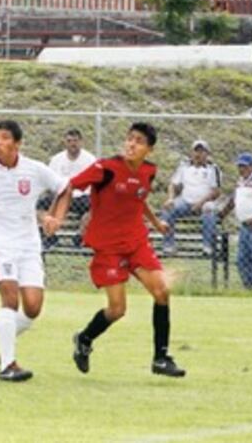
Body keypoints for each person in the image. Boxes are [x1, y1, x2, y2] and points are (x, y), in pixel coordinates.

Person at [48, 123, 186, 378]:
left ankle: (161, 358)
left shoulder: (149, 171)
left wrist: (156, 223)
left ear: (149, 149)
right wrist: (57, 218)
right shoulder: (106, 168)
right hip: (108, 247)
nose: (131, 144)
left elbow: (139, 197)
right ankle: (84, 339)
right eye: (130, 138)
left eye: (139, 141)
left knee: (161, 291)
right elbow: (68, 187)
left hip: (136, 243)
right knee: (117, 310)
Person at [0, 120, 69, 382]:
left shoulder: (34, 169)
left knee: (33, 307)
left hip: (29, 245)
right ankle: (8, 365)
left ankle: (5, 344)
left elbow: (65, 188)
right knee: (10, 300)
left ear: (18, 143)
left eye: (4, 138)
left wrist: (56, 217)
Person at [217, 152, 252, 289]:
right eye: (240, 166)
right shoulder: (240, 182)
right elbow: (233, 200)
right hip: (245, 225)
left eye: (244, 166)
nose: (241, 169)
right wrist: (221, 215)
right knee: (242, 258)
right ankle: (249, 287)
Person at [160, 139, 222, 255]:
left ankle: (207, 247)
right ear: (192, 152)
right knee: (168, 208)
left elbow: (216, 192)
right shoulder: (184, 166)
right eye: (196, 151)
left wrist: (200, 203)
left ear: (207, 154)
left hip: (205, 202)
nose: (198, 154)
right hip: (185, 201)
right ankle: (168, 246)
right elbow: (173, 184)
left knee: (209, 209)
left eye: (202, 151)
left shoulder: (213, 168)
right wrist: (170, 198)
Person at [41, 128, 96, 248]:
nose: (72, 144)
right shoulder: (56, 159)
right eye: (69, 141)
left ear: (81, 142)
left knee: (95, 206)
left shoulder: (90, 159)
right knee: (39, 205)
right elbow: (50, 181)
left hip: (81, 196)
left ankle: (80, 237)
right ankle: (50, 235)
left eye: (75, 141)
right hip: (61, 195)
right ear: (65, 142)